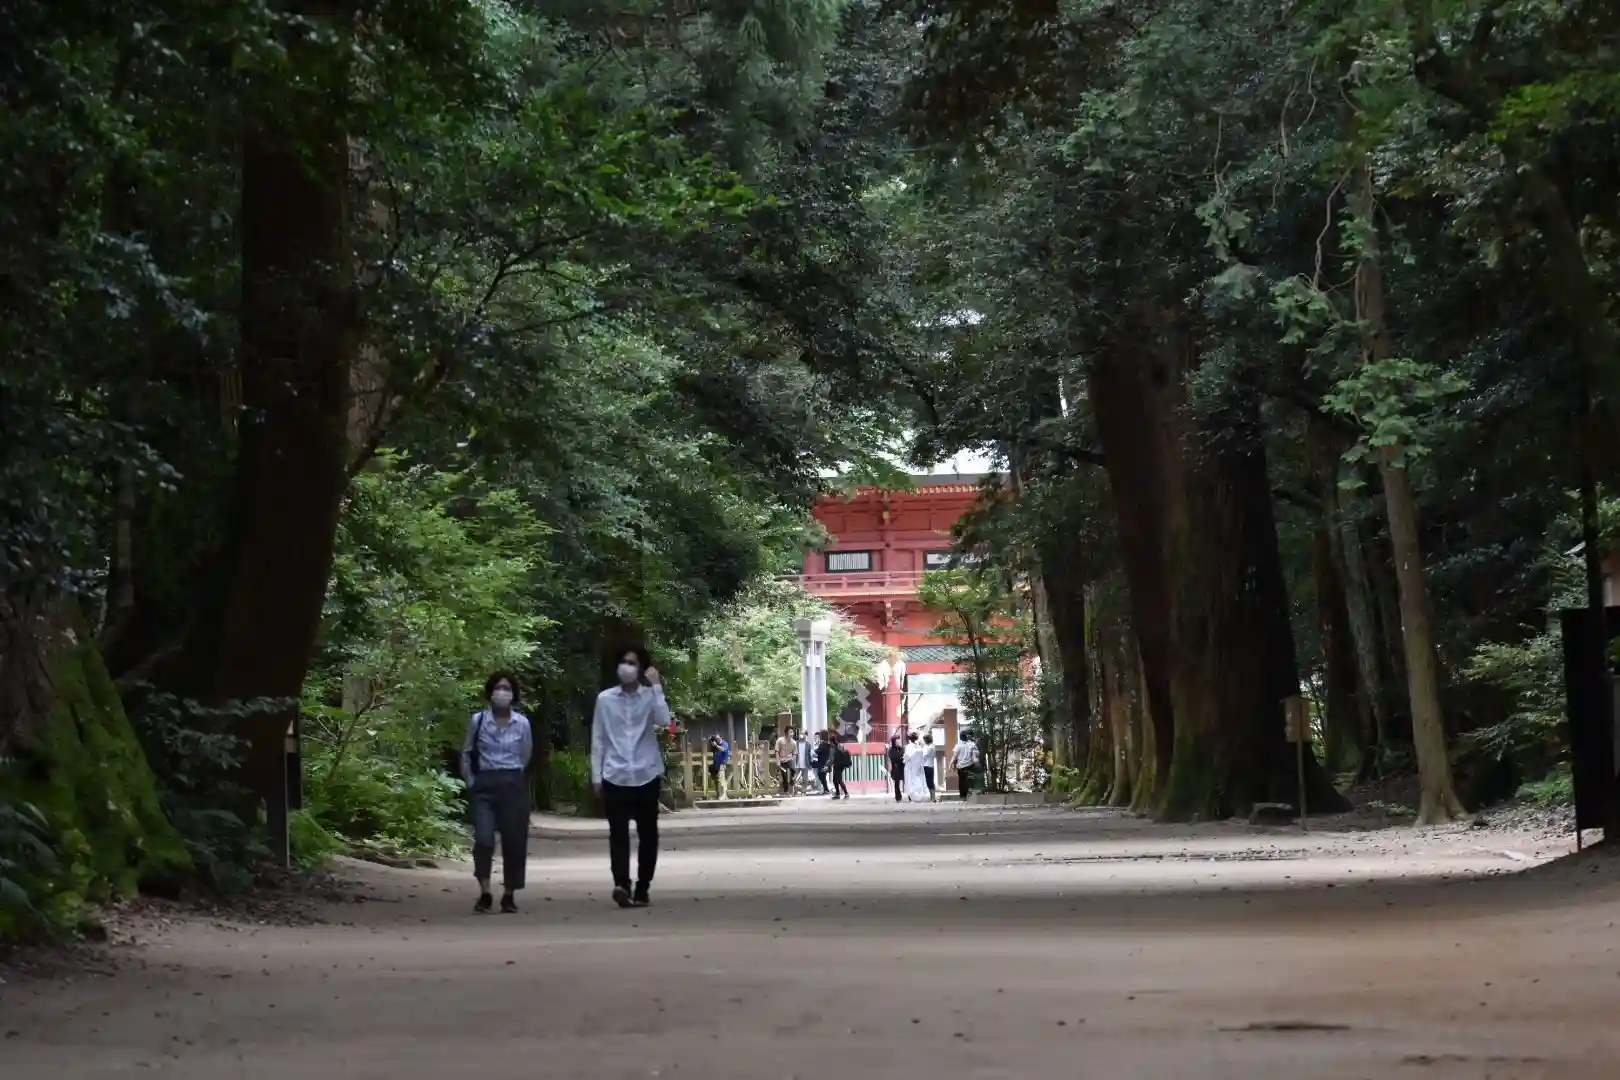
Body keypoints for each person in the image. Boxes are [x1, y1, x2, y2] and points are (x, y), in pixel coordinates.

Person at [591, 647, 670, 909]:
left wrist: (656, 685)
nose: (626, 666)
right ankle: (622, 885)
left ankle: (643, 887)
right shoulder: (605, 700)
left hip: (646, 773)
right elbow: (598, 738)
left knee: (648, 835)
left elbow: (664, 720)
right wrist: (596, 776)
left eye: (632, 663)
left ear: (641, 668)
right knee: (618, 834)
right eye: (623, 662)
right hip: (615, 774)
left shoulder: (649, 696)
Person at [461, 672, 534, 914]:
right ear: (490, 693)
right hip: (485, 784)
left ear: (513, 695)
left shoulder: (522, 723)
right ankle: (484, 892)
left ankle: (509, 895)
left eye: (507, 688)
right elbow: (466, 752)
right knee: (483, 840)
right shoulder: (478, 720)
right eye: (498, 688)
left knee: (514, 842)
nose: (502, 692)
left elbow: (525, 754)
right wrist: (472, 781)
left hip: (512, 784)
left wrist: (513, 776)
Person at [952, 729, 981, 801]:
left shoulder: (958, 745)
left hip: (961, 766)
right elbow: (977, 754)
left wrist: (953, 765)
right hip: (969, 765)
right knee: (969, 778)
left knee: (961, 781)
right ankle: (970, 793)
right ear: (967, 737)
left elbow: (955, 756)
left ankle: (963, 796)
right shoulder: (972, 744)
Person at [902, 730, 930, 802]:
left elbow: (906, 757)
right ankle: (918, 795)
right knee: (919, 780)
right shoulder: (919, 747)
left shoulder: (908, 747)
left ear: (910, 739)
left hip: (910, 766)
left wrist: (904, 760)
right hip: (918, 766)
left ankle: (911, 796)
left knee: (910, 781)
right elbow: (922, 757)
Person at [708, 733, 731, 800]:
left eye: (717, 738)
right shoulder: (714, 746)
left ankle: (724, 795)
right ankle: (719, 795)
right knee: (715, 780)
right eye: (715, 739)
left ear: (721, 738)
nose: (716, 740)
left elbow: (723, 749)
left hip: (722, 764)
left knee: (721, 779)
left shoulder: (724, 743)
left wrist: (716, 745)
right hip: (715, 764)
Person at [830, 732, 852, 799]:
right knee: (835, 779)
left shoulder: (832, 748)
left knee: (839, 780)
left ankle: (846, 794)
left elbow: (832, 759)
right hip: (841, 765)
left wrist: (827, 765)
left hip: (837, 765)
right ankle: (837, 794)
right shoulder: (840, 745)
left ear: (830, 741)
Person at [774, 727, 796, 795]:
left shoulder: (794, 742)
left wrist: (792, 759)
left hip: (789, 759)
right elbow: (776, 751)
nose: (792, 734)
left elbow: (795, 753)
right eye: (790, 732)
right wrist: (778, 761)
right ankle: (786, 790)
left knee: (793, 770)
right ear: (786, 733)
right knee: (784, 776)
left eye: (792, 732)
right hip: (782, 760)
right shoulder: (780, 740)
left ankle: (792, 781)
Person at [812, 731, 832, 795]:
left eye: (820, 735)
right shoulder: (827, 744)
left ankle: (826, 789)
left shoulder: (824, 744)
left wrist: (814, 752)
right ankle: (826, 789)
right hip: (825, 763)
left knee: (821, 775)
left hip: (823, 763)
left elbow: (819, 751)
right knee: (822, 775)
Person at [887, 733, 906, 803]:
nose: (899, 742)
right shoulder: (891, 750)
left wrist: (902, 757)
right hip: (896, 767)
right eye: (898, 740)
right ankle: (898, 797)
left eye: (899, 740)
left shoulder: (902, 749)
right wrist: (901, 757)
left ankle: (910, 795)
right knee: (897, 783)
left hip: (903, 767)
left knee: (907, 781)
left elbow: (904, 755)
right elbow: (895, 758)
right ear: (894, 742)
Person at [922, 731, 938, 803]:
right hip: (928, 765)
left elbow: (925, 756)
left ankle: (933, 797)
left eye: (924, 740)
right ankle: (932, 797)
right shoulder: (928, 746)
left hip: (928, 766)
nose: (924, 741)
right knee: (929, 782)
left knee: (929, 782)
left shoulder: (930, 747)